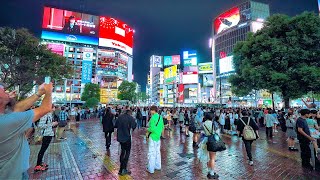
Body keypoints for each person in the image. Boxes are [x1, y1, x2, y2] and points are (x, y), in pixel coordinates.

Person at [0, 82, 53, 179]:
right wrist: (48, 91)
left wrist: (39, 93)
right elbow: (45, 108)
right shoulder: (6, 122)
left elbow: (18, 108)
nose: (6, 91)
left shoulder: (5, 115)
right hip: (13, 175)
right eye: (3, 90)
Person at [34, 105, 58, 172]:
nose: (54, 109)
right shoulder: (45, 115)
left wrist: (52, 124)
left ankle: (40, 163)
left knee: (43, 150)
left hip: (49, 134)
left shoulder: (49, 114)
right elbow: (40, 126)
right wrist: (52, 124)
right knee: (42, 150)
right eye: (53, 107)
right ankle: (38, 165)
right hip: (46, 135)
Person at [115, 109, 137, 176]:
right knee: (127, 153)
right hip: (127, 138)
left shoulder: (120, 117)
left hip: (120, 138)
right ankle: (123, 169)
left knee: (122, 152)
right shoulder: (130, 118)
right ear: (130, 113)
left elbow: (115, 125)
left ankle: (121, 169)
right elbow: (134, 126)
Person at [147, 106, 164, 174]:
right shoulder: (160, 117)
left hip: (153, 136)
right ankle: (158, 166)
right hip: (158, 137)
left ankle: (151, 169)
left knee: (151, 152)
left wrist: (148, 129)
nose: (150, 112)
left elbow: (152, 128)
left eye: (150, 110)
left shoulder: (153, 117)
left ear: (153, 110)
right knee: (157, 152)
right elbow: (162, 127)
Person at [201, 113, 219, 179]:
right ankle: (212, 172)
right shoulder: (213, 123)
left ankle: (209, 170)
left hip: (205, 141)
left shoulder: (203, 124)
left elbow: (201, 133)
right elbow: (217, 132)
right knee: (212, 158)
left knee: (208, 157)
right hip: (212, 141)